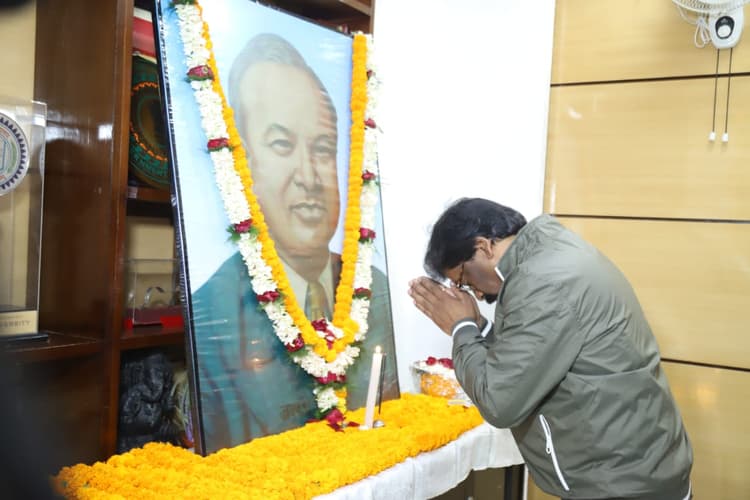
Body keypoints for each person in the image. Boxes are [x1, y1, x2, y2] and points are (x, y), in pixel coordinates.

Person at [191, 33, 398, 454]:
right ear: (243, 163)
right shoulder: (212, 313)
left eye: (322, 149)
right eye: (282, 145)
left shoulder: (375, 292)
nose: (308, 176)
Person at [408, 198, 693, 500]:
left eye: (464, 279)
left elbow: (499, 402)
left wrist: (461, 328)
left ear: (483, 247)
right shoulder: (551, 253)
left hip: (621, 481)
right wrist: (479, 326)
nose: (475, 295)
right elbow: (536, 355)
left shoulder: (541, 282)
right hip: (639, 465)